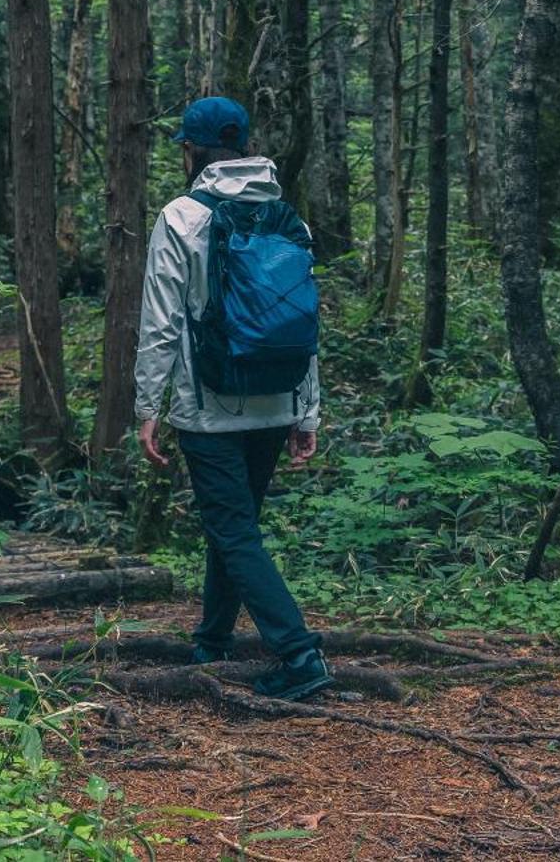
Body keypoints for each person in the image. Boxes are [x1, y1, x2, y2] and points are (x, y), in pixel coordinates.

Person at [133, 96, 334, 701]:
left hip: (209, 407)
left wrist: (148, 407)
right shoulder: (287, 218)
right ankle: (213, 639)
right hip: (276, 397)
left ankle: (299, 655)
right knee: (235, 526)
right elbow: (305, 323)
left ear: (192, 150)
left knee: (233, 529)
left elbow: (160, 323)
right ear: (245, 146)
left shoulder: (181, 216)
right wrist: (308, 408)